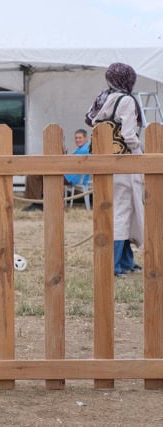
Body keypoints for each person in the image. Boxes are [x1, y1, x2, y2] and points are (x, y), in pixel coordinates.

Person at [85, 62, 144, 277]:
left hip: (104, 160)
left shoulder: (103, 97)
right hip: (123, 162)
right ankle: (115, 264)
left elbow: (90, 119)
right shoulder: (126, 100)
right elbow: (129, 134)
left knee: (120, 209)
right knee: (122, 211)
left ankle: (127, 260)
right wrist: (140, 155)